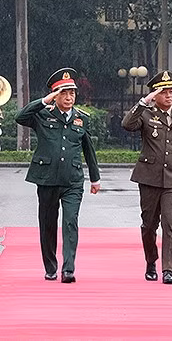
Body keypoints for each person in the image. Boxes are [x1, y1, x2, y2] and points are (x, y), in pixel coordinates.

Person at [15, 67, 101, 283]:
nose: (69, 97)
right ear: (55, 95)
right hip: (47, 179)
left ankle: (69, 269)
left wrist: (95, 177)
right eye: (64, 93)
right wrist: (44, 101)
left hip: (72, 179)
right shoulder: (42, 115)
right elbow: (20, 117)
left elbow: (88, 148)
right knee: (48, 223)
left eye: (72, 93)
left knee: (70, 221)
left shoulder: (82, 119)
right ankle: (50, 266)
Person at [122, 70, 172, 285]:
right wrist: (143, 102)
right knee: (149, 225)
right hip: (149, 177)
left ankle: (168, 269)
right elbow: (127, 124)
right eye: (163, 92)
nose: (169, 96)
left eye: (171, 92)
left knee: (170, 224)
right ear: (155, 95)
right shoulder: (146, 114)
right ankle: (151, 261)